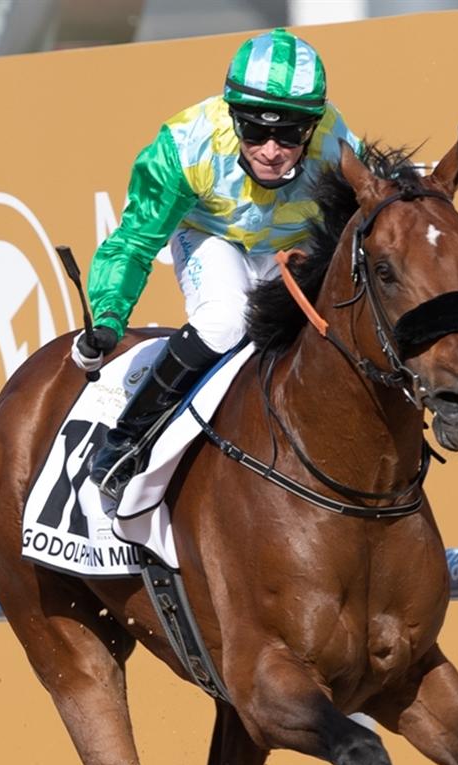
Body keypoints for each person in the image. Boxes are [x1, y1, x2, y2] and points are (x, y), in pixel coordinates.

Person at [75, 28, 361, 506]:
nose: (271, 150)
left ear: (312, 128)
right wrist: (108, 319)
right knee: (227, 319)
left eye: (289, 134)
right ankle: (127, 439)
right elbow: (134, 241)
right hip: (210, 236)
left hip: (292, 249)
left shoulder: (339, 150)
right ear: (233, 117)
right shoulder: (186, 146)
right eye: (255, 131)